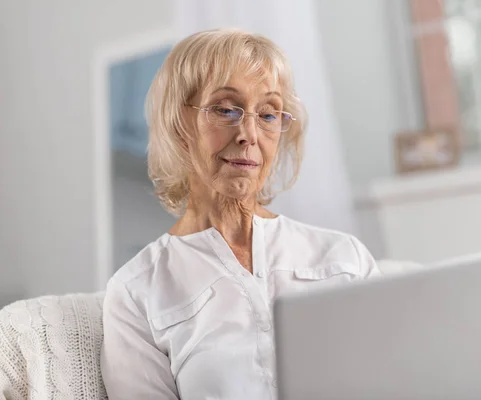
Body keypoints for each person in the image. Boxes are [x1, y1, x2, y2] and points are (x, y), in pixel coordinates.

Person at [100, 28, 380, 400]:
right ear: (179, 122)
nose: (249, 133)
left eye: (268, 114)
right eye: (226, 109)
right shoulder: (136, 292)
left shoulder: (346, 257)